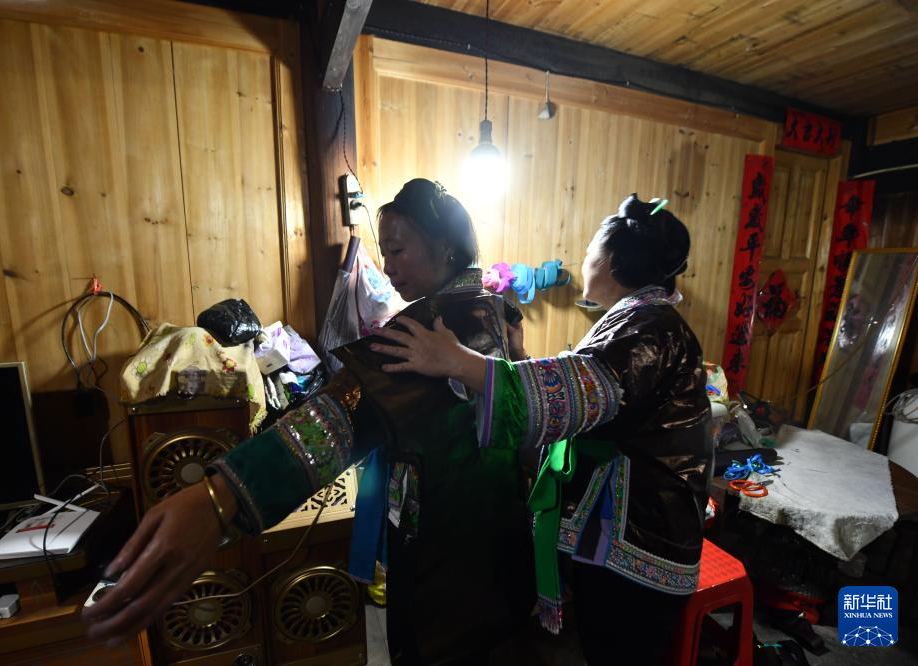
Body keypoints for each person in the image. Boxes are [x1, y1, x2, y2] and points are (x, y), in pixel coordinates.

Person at [83, 178, 535, 665]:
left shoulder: (422, 332)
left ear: (443, 245)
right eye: (385, 252)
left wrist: (220, 498)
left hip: (447, 570)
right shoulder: (496, 311)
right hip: (505, 549)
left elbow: (331, 423)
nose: (388, 267)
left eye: (398, 250)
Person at [371, 193, 712, 664]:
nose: (389, 265)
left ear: (611, 260)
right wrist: (519, 358)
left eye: (591, 246)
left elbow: (579, 391)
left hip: (642, 541)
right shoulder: (634, 317)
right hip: (622, 538)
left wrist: (456, 360)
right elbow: (583, 404)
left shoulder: (650, 324)